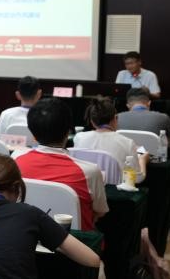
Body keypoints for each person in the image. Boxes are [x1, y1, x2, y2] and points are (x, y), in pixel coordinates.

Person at [14, 98, 108, 231]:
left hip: (27, 235)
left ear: (33, 134)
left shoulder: (15, 160)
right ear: (68, 132)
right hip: (76, 241)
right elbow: (100, 212)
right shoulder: (89, 171)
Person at [74, 97, 148, 181]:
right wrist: (142, 159)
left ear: (92, 121)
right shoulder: (128, 143)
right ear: (115, 118)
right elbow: (137, 179)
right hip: (116, 189)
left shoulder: (79, 138)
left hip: (86, 187)